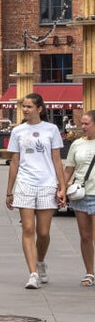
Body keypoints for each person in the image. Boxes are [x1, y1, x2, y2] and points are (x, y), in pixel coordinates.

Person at [5, 93, 66, 289]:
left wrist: (62, 185)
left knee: (44, 232)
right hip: (25, 183)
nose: (25, 110)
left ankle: (40, 262)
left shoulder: (51, 129)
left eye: (29, 106)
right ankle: (32, 273)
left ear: (39, 109)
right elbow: (14, 161)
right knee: (28, 229)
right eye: (23, 106)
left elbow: (57, 159)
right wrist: (9, 191)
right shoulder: (18, 131)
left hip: (47, 183)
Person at [63, 110, 95, 287]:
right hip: (81, 194)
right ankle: (89, 272)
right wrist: (61, 188)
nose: (82, 127)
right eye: (81, 123)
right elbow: (69, 169)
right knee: (85, 236)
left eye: (86, 124)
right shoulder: (77, 144)